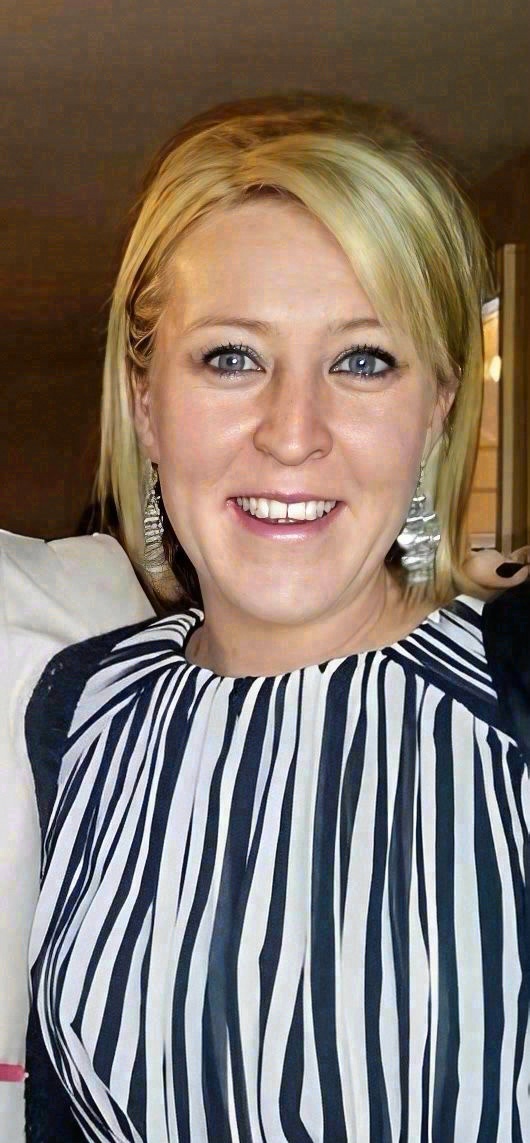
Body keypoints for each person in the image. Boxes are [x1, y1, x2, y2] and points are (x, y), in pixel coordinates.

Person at [9, 95, 530, 1140]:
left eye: (363, 360)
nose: (293, 433)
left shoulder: (509, 694)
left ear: (436, 407)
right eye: (232, 358)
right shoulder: (77, 707)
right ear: (146, 402)